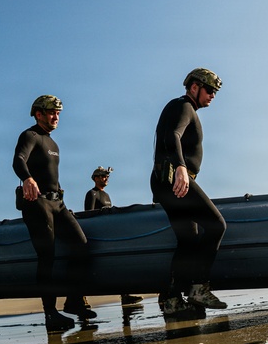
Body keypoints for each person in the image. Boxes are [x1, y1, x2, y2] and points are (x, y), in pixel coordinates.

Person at [13, 95, 97, 331]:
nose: (55, 117)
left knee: (81, 244)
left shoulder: (53, 144)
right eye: (51, 112)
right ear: (38, 114)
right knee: (46, 257)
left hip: (57, 203)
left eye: (58, 113)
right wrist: (27, 178)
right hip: (36, 203)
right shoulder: (30, 135)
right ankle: (50, 314)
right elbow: (18, 160)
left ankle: (73, 300)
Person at [151, 68, 228, 313]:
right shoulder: (183, 106)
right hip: (175, 178)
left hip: (166, 179)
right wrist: (182, 168)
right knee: (217, 225)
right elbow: (172, 136)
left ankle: (172, 298)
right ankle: (198, 287)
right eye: (210, 90)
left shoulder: (181, 107)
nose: (213, 95)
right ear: (194, 87)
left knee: (187, 241)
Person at [83, 166, 143, 306]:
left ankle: (125, 295)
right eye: (103, 176)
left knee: (120, 263)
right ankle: (81, 298)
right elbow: (88, 215)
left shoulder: (107, 196)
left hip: (109, 234)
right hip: (99, 236)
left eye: (107, 176)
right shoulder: (92, 194)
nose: (106, 178)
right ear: (96, 178)